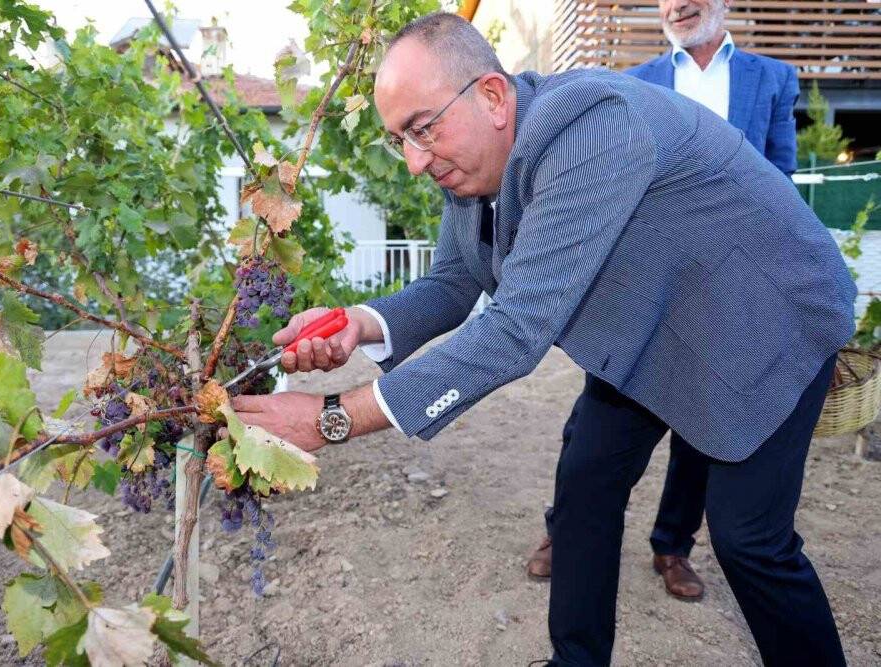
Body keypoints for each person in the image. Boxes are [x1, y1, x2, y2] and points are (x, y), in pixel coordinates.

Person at [231, 11, 852, 666]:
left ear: (493, 97)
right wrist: (360, 321)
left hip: (763, 318)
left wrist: (330, 417)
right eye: (400, 139)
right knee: (585, 485)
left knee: (749, 537)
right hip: (650, 324)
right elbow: (453, 282)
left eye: (422, 128)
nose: (414, 161)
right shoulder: (475, 163)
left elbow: (514, 329)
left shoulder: (592, 126)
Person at [526, 0, 803, 603]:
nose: (676, 4)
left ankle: (673, 545)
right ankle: (565, 528)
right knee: (597, 418)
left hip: (728, 286)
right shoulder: (632, 84)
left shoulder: (773, 79)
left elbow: (781, 182)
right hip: (644, 285)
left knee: (704, 424)